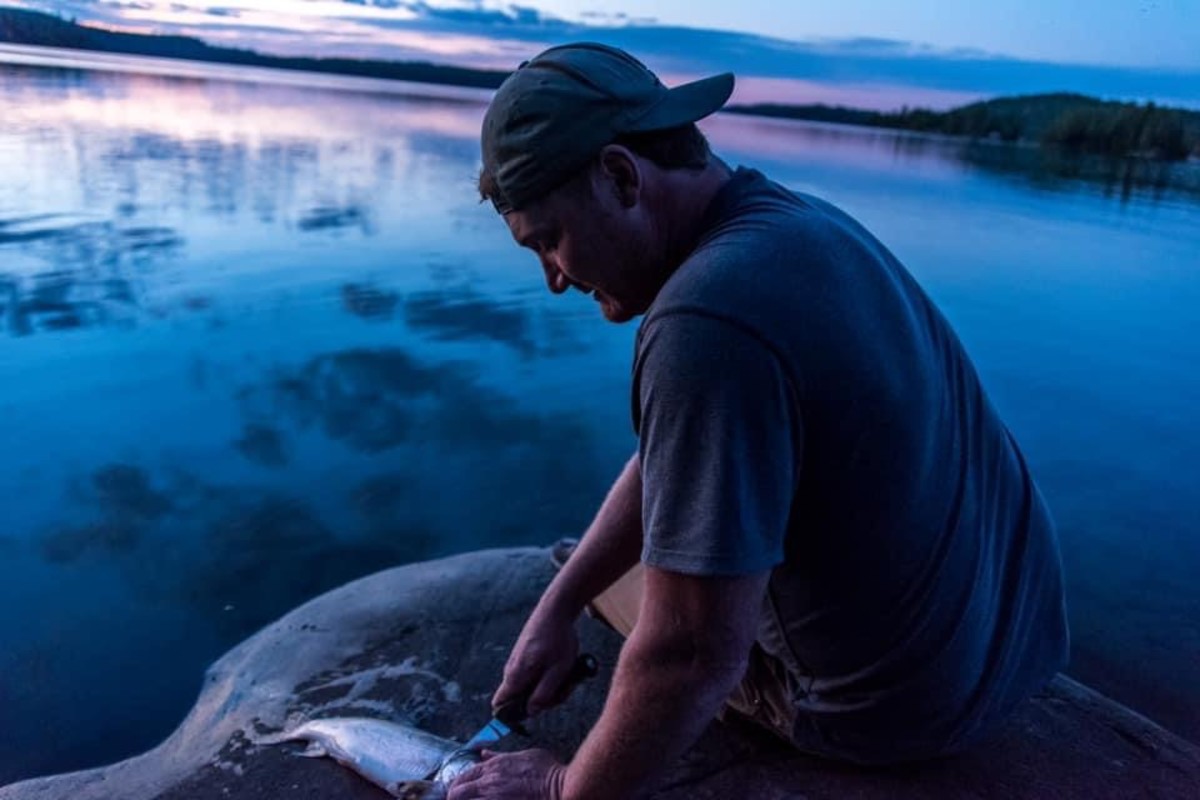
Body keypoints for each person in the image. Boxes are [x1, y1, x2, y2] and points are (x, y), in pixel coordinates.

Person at [447, 42, 1069, 800]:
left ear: (620, 176)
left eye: (549, 240)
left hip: (895, 713)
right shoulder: (799, 223)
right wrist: (563, 602)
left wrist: (560, 787)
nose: (553, 278)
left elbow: (691, 656)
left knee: (625, 593)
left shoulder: (704, 321)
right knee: (590, 570)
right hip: (1017, 647)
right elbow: (687, 454)